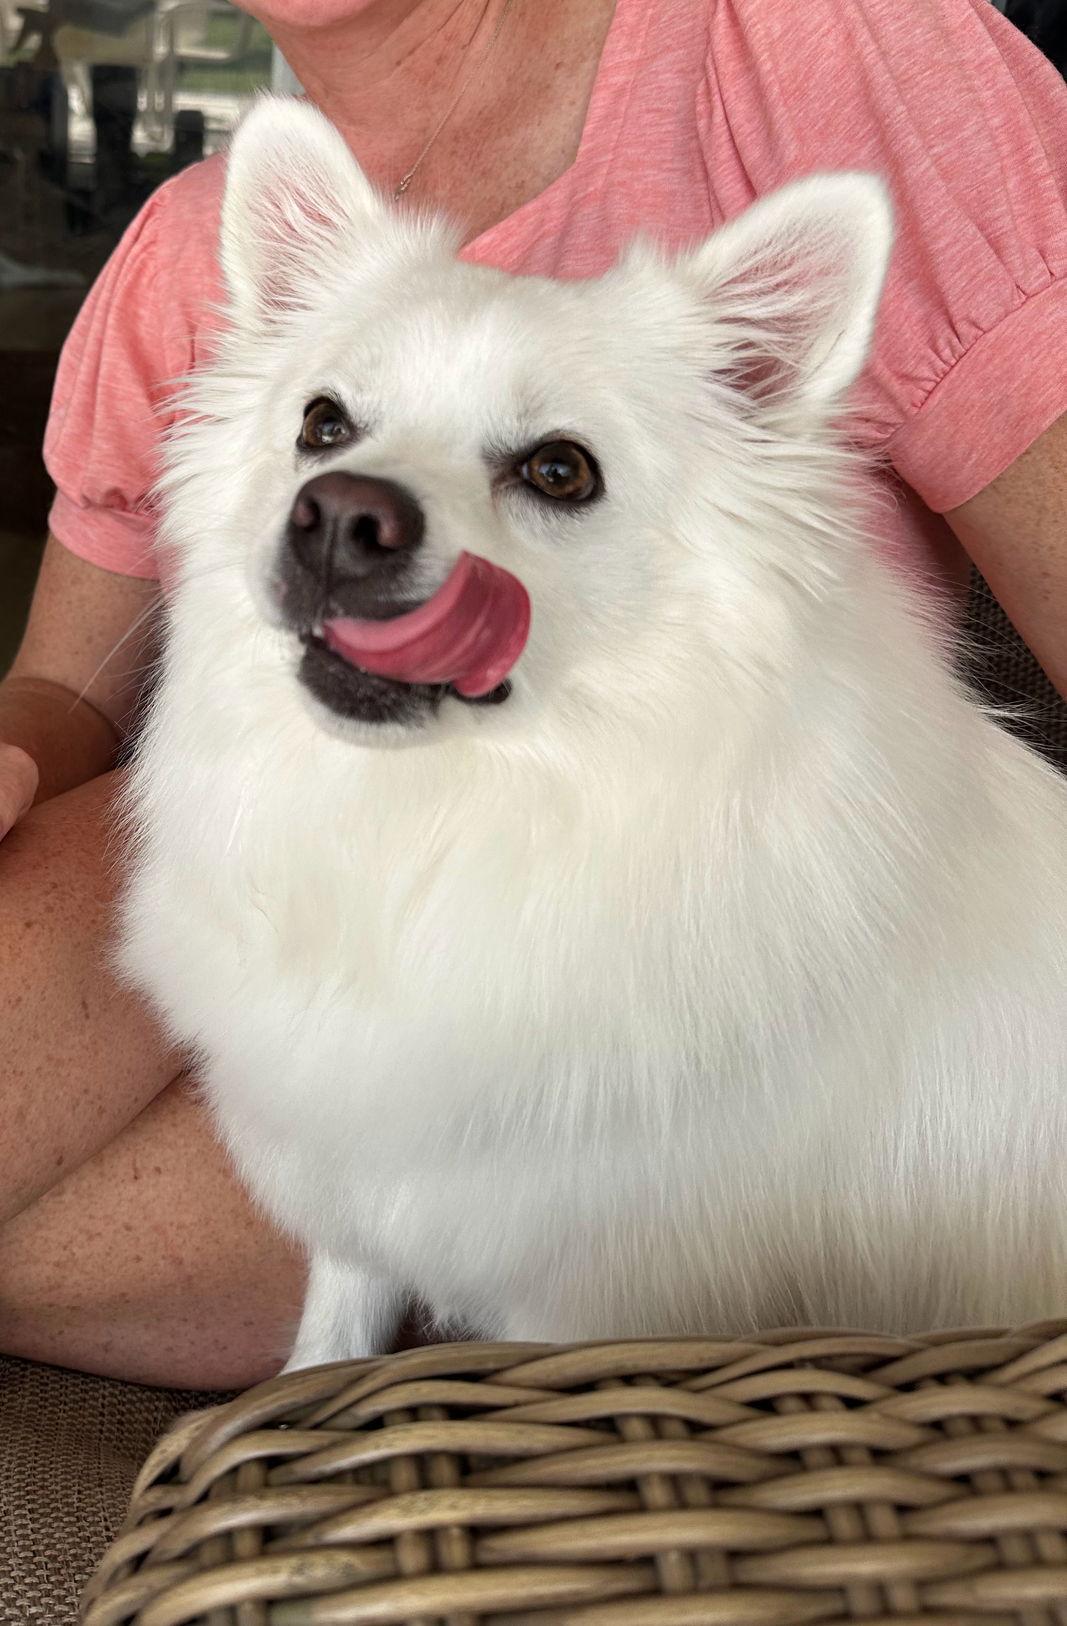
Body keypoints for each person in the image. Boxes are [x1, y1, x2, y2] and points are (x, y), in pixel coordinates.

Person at [2, 0, 1066, 1391]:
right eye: (333, 428)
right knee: (96, 849)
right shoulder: (200, 243)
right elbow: (66, 691)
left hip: (698, 988)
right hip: (293, 886)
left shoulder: (806, 39)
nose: (356, 501)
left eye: (553, 470)